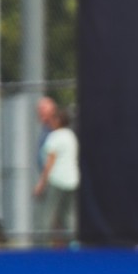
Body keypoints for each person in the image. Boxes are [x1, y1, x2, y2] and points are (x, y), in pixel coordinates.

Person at [33, 97, 80, 247]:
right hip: (71, 182)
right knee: (67, 216)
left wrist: (41, 184)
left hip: (56, 182)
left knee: (46, 216)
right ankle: (73, 245)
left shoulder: (54, 136)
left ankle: (40, 247)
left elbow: (49, 164)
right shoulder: (70, 136)